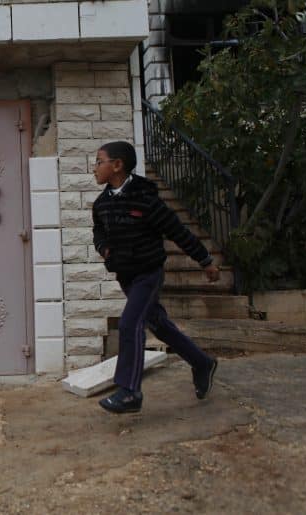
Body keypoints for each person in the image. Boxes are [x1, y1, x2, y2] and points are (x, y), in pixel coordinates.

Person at [91, 141, 220, 414]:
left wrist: (205, 261)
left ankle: (129, 392)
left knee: (129, 324)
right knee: (159, 325)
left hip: (148, 274)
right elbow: (98, 233)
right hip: (125, 275)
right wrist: (104, 249)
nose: (94, 168)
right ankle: (202, 363)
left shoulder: (145, 199)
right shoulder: (102, 204)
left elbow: (177, 231)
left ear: (117, 165)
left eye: (98, 161)